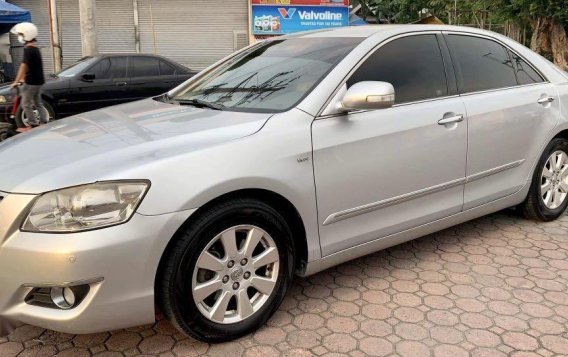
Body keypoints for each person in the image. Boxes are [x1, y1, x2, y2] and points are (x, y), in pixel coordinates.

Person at [10, 22, 48, 128]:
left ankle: (33, 123)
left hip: (31, 83)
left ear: (27, 35)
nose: (19, 37)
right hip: (39, 82)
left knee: (25, 104)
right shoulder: (35, 50)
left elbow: (23, 66)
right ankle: (44, 121)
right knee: (38, 102)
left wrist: (16, 81)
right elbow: (31, 67)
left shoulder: (28, 50)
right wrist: (22, 79)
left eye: (20, 35)